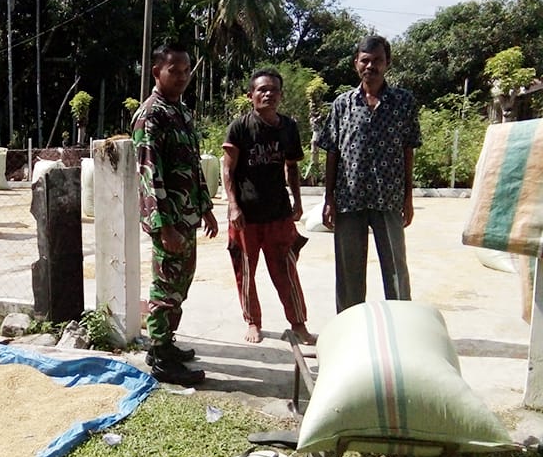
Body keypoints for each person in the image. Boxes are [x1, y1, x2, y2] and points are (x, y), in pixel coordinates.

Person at [132, 41, 218, 385]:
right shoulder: (150, 114)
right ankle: (161, 356)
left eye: (186, 71)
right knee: (165, 287)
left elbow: (192, 164)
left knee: (180, 283)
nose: (182, 77)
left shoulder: (180, 110)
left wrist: (206, 207)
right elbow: (148, 174)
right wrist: (163, 225)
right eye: (174, 71)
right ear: (157, 72)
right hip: (167, 220)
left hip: (187, 216)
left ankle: (166, 344)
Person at [318, 35, 421, 312]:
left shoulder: (403, 102)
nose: (370, 66)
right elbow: (331, 151)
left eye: (377, 60)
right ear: (356, 64)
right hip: (349, 200)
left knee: (396, 268)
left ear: (387, 63)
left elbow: (408, 150)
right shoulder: (342, 104)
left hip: (388, 198)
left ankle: (403, 323)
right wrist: (329, 197)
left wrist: (408, 197)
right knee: (348, 270)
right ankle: (350, 325)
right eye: (365, 60)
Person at [222, 69, 315, 345]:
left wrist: (297, 201)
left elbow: (292, 168)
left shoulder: (288, 127)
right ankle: (252, 321)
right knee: (246, 271)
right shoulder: (239, 127)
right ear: (251, 95)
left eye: (273, 90)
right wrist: (232, 205)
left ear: (281, 95)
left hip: (278, 214)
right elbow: (227, 169)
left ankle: (298, 324)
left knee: (286, 270)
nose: (268, 94)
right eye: (262, 90)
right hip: (246, 217)